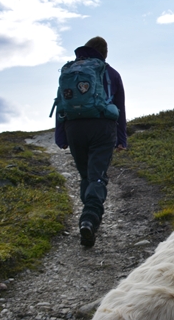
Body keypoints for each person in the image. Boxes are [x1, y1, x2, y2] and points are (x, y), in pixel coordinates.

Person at [54, 36, 127, 248]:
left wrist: (61, 135)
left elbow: (61, 104)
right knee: (97, 176)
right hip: (102, 128)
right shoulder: (110, 73)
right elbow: (120, 108)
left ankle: (88, 219)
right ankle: (90, 218)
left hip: (74, 127)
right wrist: (121, 138)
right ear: (105, 53)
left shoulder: (70, 72)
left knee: (86, 175)